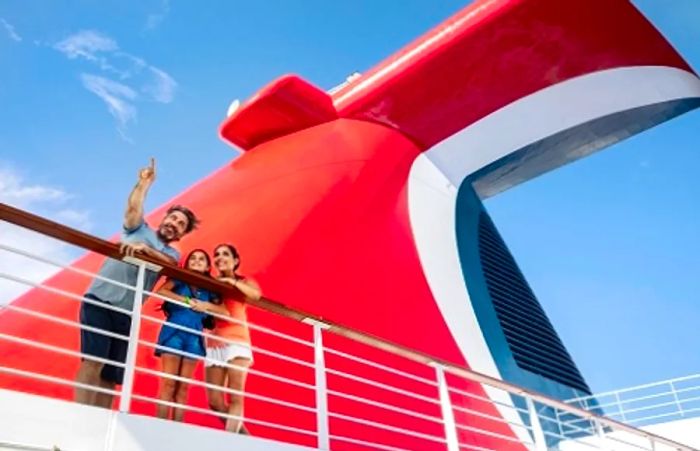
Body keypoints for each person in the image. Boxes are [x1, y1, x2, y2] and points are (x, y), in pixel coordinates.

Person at [74, 158, 200, 408]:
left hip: (127, 314)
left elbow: (170, 264)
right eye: (173, 218)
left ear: (181, 234)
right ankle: (81, 417)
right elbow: (132, 210)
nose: (174, 224)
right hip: (100, 300)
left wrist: (145, 251)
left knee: (112, 375)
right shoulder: (137, 230)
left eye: (180, 224)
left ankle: (101, 424)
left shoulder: (172, 254)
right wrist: (143, 184)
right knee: (93, 362)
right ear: (164, 218)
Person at [155, 249, 219, 422]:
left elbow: (222, 310)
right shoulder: (179, 279)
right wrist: (187, 301)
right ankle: (158, 426)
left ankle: (176, 428)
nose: (197, 261)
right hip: (174, 332)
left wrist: (206, 305)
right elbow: (161, 292)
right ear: (187, 263)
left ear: (207, 266)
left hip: (195, 338)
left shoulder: (210, 290)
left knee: (183, 387)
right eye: (193, 258)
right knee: (169, 383)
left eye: (201, 259)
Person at [203, 243, 261, 434]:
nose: (220, 257)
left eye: (225, 254)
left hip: (237, 341)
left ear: (235, 260)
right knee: (215, 402)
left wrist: (233, 283)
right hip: (214, 343)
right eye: (216, 254)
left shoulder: (243, 281)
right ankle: (247, 440)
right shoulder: (211, 284)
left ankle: (229, 442)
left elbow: (256, 295)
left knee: (236, 397)